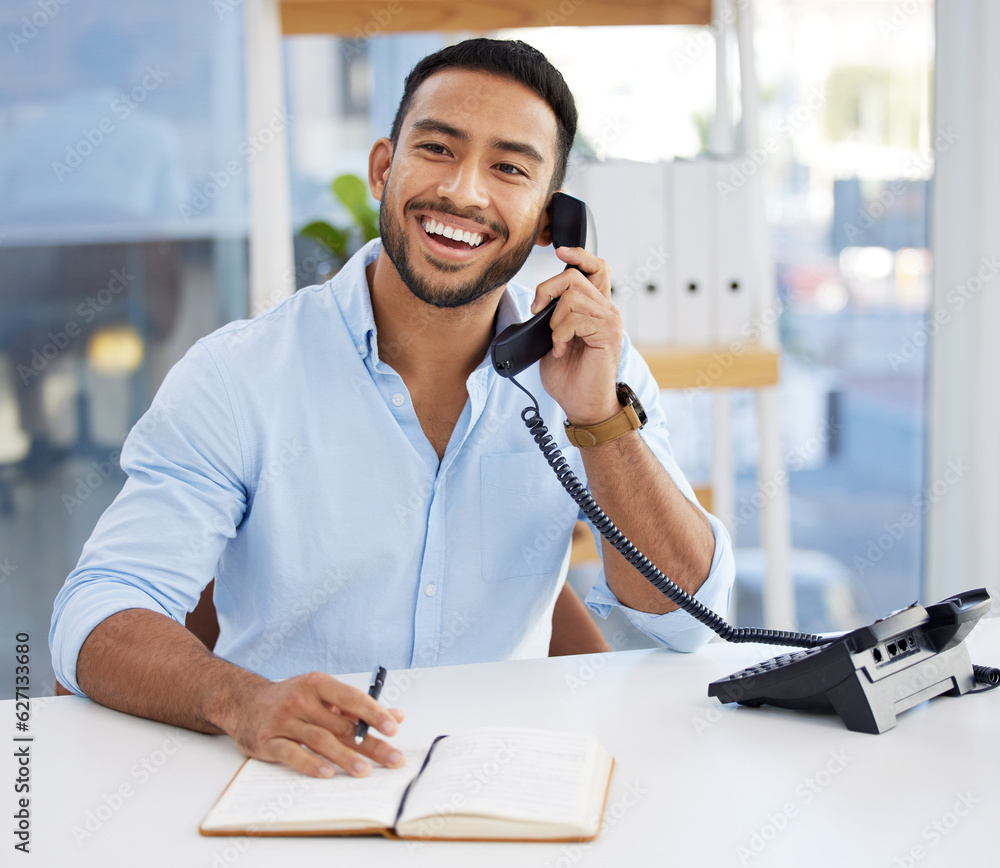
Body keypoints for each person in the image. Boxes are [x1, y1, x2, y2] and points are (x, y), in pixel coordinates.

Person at [50, 38, 734, 781]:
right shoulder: (238, 375)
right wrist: (240, 699)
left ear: (550, 221)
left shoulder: (592, 371)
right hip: (290, 786)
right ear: (384, 167)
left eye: (509, 168)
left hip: (500, 785)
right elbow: (97, 611)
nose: (465, 193)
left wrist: (601, 423)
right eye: (438, 149)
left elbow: (687, 623)